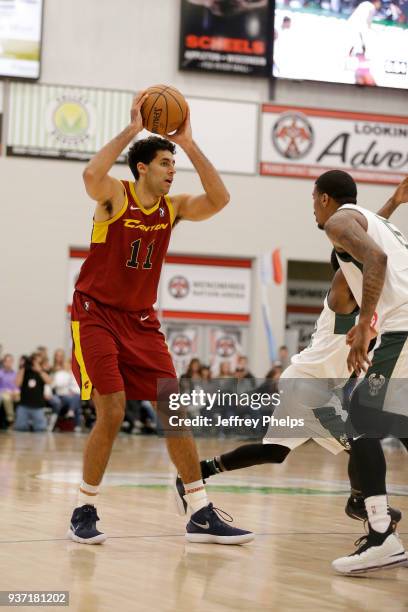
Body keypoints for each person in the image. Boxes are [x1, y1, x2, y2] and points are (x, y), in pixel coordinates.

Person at [68, 92, 253, 545]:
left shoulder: (172, 210)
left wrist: (187, 143)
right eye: (166, 163)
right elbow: (92, 174)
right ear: (143, 168)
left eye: (175, 164)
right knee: (111, 411)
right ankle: (84, 508)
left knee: (173, 408)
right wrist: (133, 130)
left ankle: (200, 510)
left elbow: (221, 197)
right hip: (95, 315)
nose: (173, 171)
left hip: (142, 322)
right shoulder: (115, 196)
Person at [175, 177, 408, 526]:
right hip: (311, 386)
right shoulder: (345, 285)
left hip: (304, 382)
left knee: (274, 452)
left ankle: (197, 472)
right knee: (362, 437)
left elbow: (362, 234)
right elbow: (364, 243)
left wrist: (392, 202)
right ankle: (362, 502)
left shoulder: (362, 288)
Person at [313, 169, 408, 574]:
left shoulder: (337, 222)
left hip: (402, 325)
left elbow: (376, 258)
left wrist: (365, 323)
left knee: (358, 417)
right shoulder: (376, 220)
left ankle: (382, 534)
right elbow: (369, 254)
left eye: (312, 200)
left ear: (322, 198)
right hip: (401, 322)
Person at [14, 353, 51, 432]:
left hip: (38, 406)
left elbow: (49, 381)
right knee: (20, 428)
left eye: (37, 361)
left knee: (40, 429)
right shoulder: (25, 371)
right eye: (33, 360)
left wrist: (40, 370)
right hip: (24, 405)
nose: (35, 363)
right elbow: (17, 383)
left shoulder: (43, 372)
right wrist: (23, 368)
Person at [0, 354, 19, 426]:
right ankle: (11, 420)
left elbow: (17, 386)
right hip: (3, 392)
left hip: (14, 393)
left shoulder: (15, 374)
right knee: (6, 398)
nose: (8, 363)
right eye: (7, 361)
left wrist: (15, 392)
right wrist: (7, 391)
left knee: (20, 399)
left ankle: (20, 419)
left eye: (10, 361)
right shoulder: (1, 373)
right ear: (4, 362)